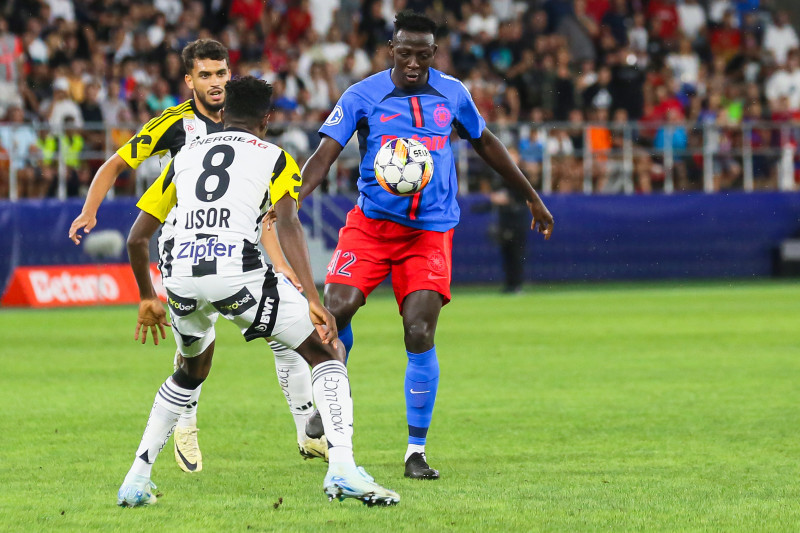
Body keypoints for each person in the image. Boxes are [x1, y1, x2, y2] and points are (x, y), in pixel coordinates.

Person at [118, 76, 399, 507]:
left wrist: (145, 297)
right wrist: (311, 296)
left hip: (180, 276)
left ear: (224, 112)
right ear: (267, 119)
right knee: (326, 351)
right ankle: (342, 468)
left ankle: (136, 480)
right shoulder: (276, 156)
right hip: (235, 270)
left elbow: (138, 238)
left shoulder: (187, 154)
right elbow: (286, 223)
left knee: (191, 371)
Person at [298, 10, 554, 480]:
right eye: (404, 52)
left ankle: (415, 451)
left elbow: (487, 143)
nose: (412, 62)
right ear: (390, 49)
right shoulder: (362, 96)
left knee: (418, 331)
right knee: (335, 310)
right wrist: (290, 197)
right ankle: (330, 401)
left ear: (434, 54)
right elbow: (323, 157)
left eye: (422, 54)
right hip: (371, 226)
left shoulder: (453, 93)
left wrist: (531, 196)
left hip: (429, 232)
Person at [67, 39, 322, 473]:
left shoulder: (243, 118)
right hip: (185, 247)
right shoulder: (174, 124)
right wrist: (90, 208)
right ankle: (185, 421)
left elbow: (270, 209)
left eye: (221, 73)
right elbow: (114, 163)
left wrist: (279, 258)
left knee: (284, 335)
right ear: (189, 81)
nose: (216, 83)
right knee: (203, 347)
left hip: (242, 239)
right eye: (205, 75)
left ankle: (305, 431)